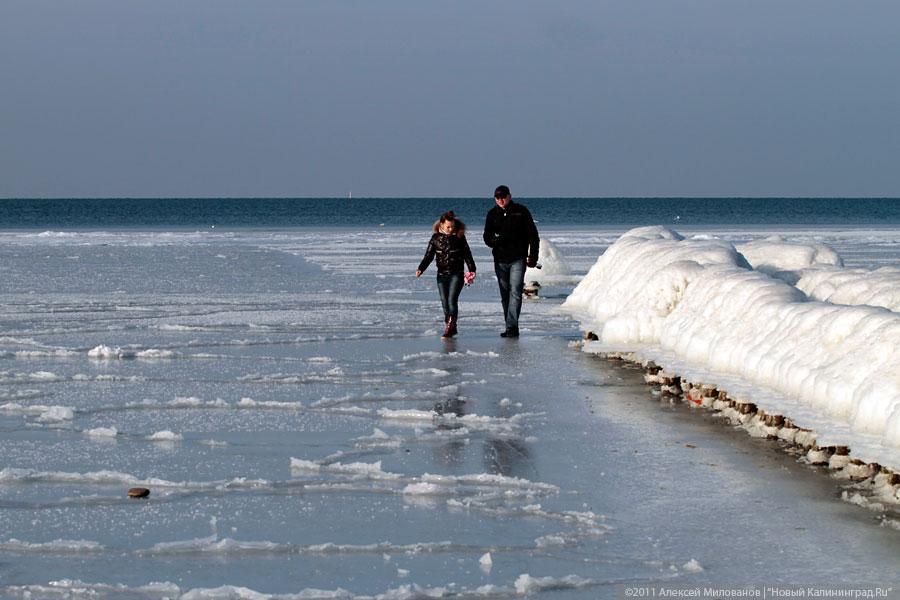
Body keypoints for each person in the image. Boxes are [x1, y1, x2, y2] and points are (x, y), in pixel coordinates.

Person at [482, 185, 539, 338]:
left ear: (510, 196)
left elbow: (533, 235)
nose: (500, 200)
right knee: (505, 293)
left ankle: (512, 327)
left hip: (518, 259)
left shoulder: (521, 211)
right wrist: (496, 241)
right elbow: (487, 237)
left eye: (503, 197)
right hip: (500, 260)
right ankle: (509, 324)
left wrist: (533, 256)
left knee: (515, 291)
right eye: (497, 198)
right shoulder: (492, 214)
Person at [416, 211, 477, 338]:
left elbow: (467, 254)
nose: (450, 229)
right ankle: (450, 327)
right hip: (441, 275)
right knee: (444, 302)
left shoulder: (460, 237)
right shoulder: (435, 238)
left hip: (457, 274)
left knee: (451, 300)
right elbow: (428, 256)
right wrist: (421, 268)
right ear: (442, 224)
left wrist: (472, 269)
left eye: (452, 227)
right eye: (448, 226)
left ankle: (450, 327)